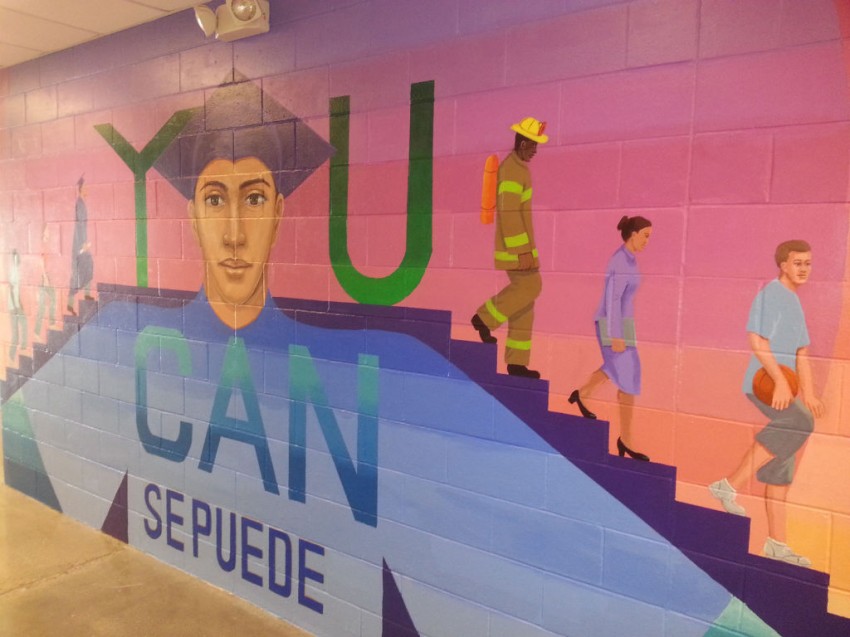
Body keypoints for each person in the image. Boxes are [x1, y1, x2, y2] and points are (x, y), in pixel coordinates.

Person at [709, 240, 823, 567]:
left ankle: (776, 543)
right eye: (797, 263)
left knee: (783, 458)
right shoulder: (771, 295)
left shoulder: (794, 301)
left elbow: (802, 352)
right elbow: (756, 340)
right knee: (799, 423)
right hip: (763, 383)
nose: (804, 269)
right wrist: (781, 381)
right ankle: (728, 484)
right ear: (783, 265)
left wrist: (809, 393)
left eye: (808, 263)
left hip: (785, 385)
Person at [569, 215, 652, 461]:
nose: (647, 241)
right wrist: (615, 334)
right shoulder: (620, 261)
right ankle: (626, 440)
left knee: (618, 370)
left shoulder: (630, 259)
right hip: (611, 324)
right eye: (645, 236)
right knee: (629, 379)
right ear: (633, 234)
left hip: (624, 326)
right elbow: (612, 300)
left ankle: (582, 394)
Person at [471, 117, 547, 378]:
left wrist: (529, 251)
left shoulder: (519, 168)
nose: (536, 151)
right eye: (534, 145)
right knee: (531, 286)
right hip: (515, 250)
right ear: (523, 143)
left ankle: (517, 363)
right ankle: (484, 317)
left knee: (526, 302)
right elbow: (510, 213)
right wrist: (522, 250)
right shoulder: (512, 170)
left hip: (524, 250)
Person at [67, 176, 93, 316]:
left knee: (86, 267)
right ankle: (70, 303)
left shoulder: (81, 203)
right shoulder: (80, 204)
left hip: (81, 241)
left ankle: (85, 295)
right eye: (86, 187)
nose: (88, 189)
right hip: (79, 243)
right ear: (81, 189)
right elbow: (80, 225)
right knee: (79, 271)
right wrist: (84, 244)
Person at [34, 224, 56, 337]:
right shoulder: (43, 244)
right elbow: (41, 262)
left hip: (47, 277)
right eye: (47, 229)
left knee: (53, 299)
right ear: (43, 231)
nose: (49, 231)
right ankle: (37, 332)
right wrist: (46, 278)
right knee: (42, 306)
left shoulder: (47, 244)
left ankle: (51, 324)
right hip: (43, 279)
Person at [8, 249, 27, 360]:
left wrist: (19, 303)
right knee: (15, 331)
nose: (19, 259)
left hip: (17, 304)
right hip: (13, 306)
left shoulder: (17, 270)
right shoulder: (14, 270)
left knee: (23, 324)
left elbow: (16, 290)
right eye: (17, 257)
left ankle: (23, 348)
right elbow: (11, 288)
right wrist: (15, 305)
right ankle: (11, 354)